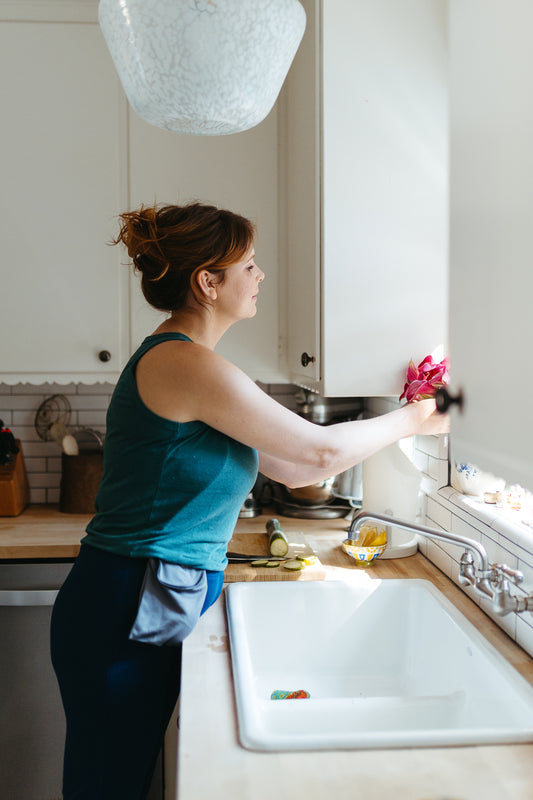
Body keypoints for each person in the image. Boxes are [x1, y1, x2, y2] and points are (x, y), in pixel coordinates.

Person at [51, 201, 448, 799]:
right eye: (250, 265)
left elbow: (291, 466)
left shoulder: (196, 364)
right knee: (108, 785)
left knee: (121, 778)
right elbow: (316, 455)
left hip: (148, 596)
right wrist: (419, 418)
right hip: (127, 602)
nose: (260, 276)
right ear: (207, 283)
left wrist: (407, 416)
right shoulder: (182, 362)